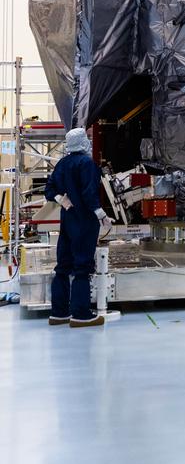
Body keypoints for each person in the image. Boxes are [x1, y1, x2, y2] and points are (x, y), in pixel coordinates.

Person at [44, 128, 112, 327]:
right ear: (83, 142)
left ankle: (59, 312)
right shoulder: (87, 164)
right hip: (84, 221)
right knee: (82, 266)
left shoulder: (62, 164)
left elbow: (49, 189)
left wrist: (60, 198)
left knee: (63, 265)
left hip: (67, 221)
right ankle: (81, 314)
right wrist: (101, 214)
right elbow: (90, 193)